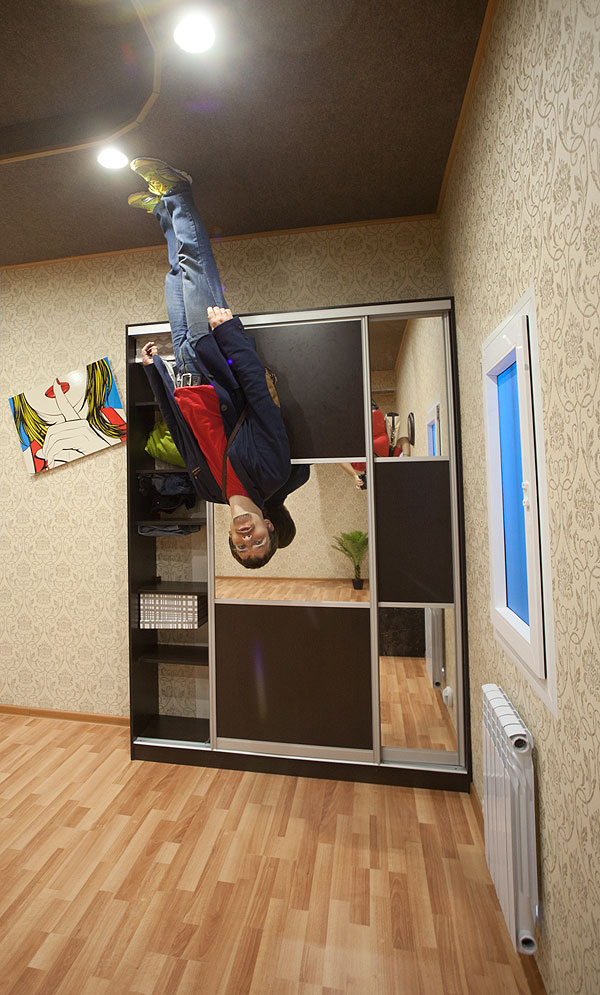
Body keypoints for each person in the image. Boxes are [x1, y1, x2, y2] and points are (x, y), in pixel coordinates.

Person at [128, 158, 309, 567]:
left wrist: (156, 374)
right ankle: (177, 190)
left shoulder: (209, 490)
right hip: (213, 355)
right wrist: (230, 335)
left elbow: (181, 431)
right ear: (269, 526)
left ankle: (164, 211)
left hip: (185, 369)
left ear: (229, 537)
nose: (247, 539)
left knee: (175, 279)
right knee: (194, 267)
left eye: (241, 547)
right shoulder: (272, 473)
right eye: (258, 542)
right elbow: (260, 400)